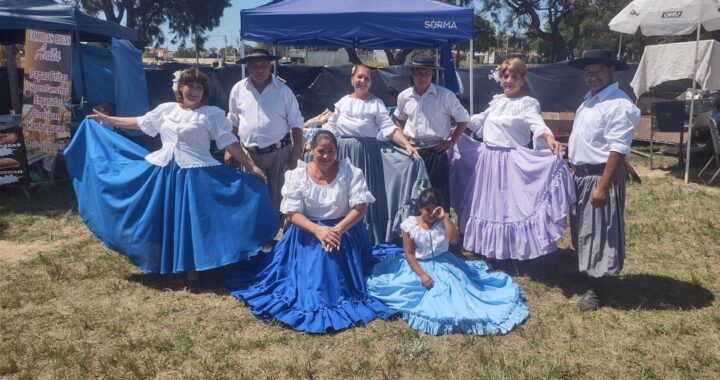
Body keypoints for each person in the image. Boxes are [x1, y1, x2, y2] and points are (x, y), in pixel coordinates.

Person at [66, 68, 279, 289]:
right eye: (190, 85)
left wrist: (251, 166)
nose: (194, 90)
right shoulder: (166, 110)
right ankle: (163, 262)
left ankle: (195, 270)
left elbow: (229, 142)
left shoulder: (212, 114)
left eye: (199, 87)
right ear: (180, 88)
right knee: (161, 218)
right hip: (165, 172)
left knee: (193, 222)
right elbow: (140, 122)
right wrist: (109, 119)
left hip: (197, 174)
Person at [225, 130, 397, 334]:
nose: (326, 156)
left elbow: (360, 207)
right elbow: (292, 213)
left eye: (331, 152)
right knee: (321, 263)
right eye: (321, 151)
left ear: (337, 151)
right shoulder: (297, 175)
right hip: (307, 231)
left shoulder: (351, 172)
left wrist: (336, 230)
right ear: (311, 150)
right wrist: (318, 231)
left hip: (344, 231)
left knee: (328, 258)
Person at [449, 58, 575, 260]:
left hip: (511, 162)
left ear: (522, 79)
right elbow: (477, 121)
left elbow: (538, 124)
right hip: (488, 160)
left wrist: (549, 139)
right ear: (500, 79)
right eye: (505, 76)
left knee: (508, 207)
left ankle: (509, 249)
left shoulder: (526, 104)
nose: (509, 81)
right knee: (488, 205)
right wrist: (456, 124)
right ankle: (486, 248)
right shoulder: (497, 102)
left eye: (514, 76)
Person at [367, 188, 529, 336]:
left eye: (434, 210)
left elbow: (454, 240)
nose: (431, 214)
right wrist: (422, 275)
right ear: (420, 208)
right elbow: (409, 254)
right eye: (427, 210)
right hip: (419, 265)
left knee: (459, 292)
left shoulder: (443, 222)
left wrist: (444, 218)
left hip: (445, 263)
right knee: (423, 294)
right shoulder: (410, 225)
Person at [567, 49, 640, 311]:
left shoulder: (618, 104)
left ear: (611, 71)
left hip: (600, 176)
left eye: (598, 71)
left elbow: (618, 149)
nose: (592, 76)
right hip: (583, 175)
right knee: (584, 228)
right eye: (589, 72)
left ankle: (598, 288)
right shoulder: (589, 100)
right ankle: (588, 270)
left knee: (600, 231)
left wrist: (604, 186)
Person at [323, 64, 429, 244]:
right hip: (342, 154)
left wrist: (407, 145)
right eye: (359, 77)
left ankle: (366, 236)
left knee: (362, 195)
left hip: (366, 155)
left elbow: (389, 128)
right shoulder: (342, 102)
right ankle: (339, 232)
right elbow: (331, 128)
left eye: (366, 78)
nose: (362, 81)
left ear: (371, 82)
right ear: (352, 79)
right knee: (342, 194)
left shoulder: (376, 103)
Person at [226, 48, 305, 216]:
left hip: (280, 154)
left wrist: (296, 154)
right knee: (252, 199)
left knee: (282, 200)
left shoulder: (284, 91)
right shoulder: (238, 90)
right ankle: (259, 239)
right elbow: (233, 121)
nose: (260, 70)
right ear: (248, 67)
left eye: (264, 65)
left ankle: (281, 238)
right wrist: (229, 149)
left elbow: (296, 123)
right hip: (249, 155)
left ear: (270, 66)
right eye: (255, 66)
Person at [394, 55, 470, 211]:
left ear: (432, 74)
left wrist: (451, 142)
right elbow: (399, 120)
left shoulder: (445, 96)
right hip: (412, 152)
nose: (423, 77)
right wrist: (404, 142)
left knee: (437, 194)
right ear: (412, 73)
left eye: (427, 73)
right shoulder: (404, 96)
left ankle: (440, 230)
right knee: (412, 195)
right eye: (419, 73)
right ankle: (414, 230)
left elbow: (464, 119)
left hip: (436, 151)